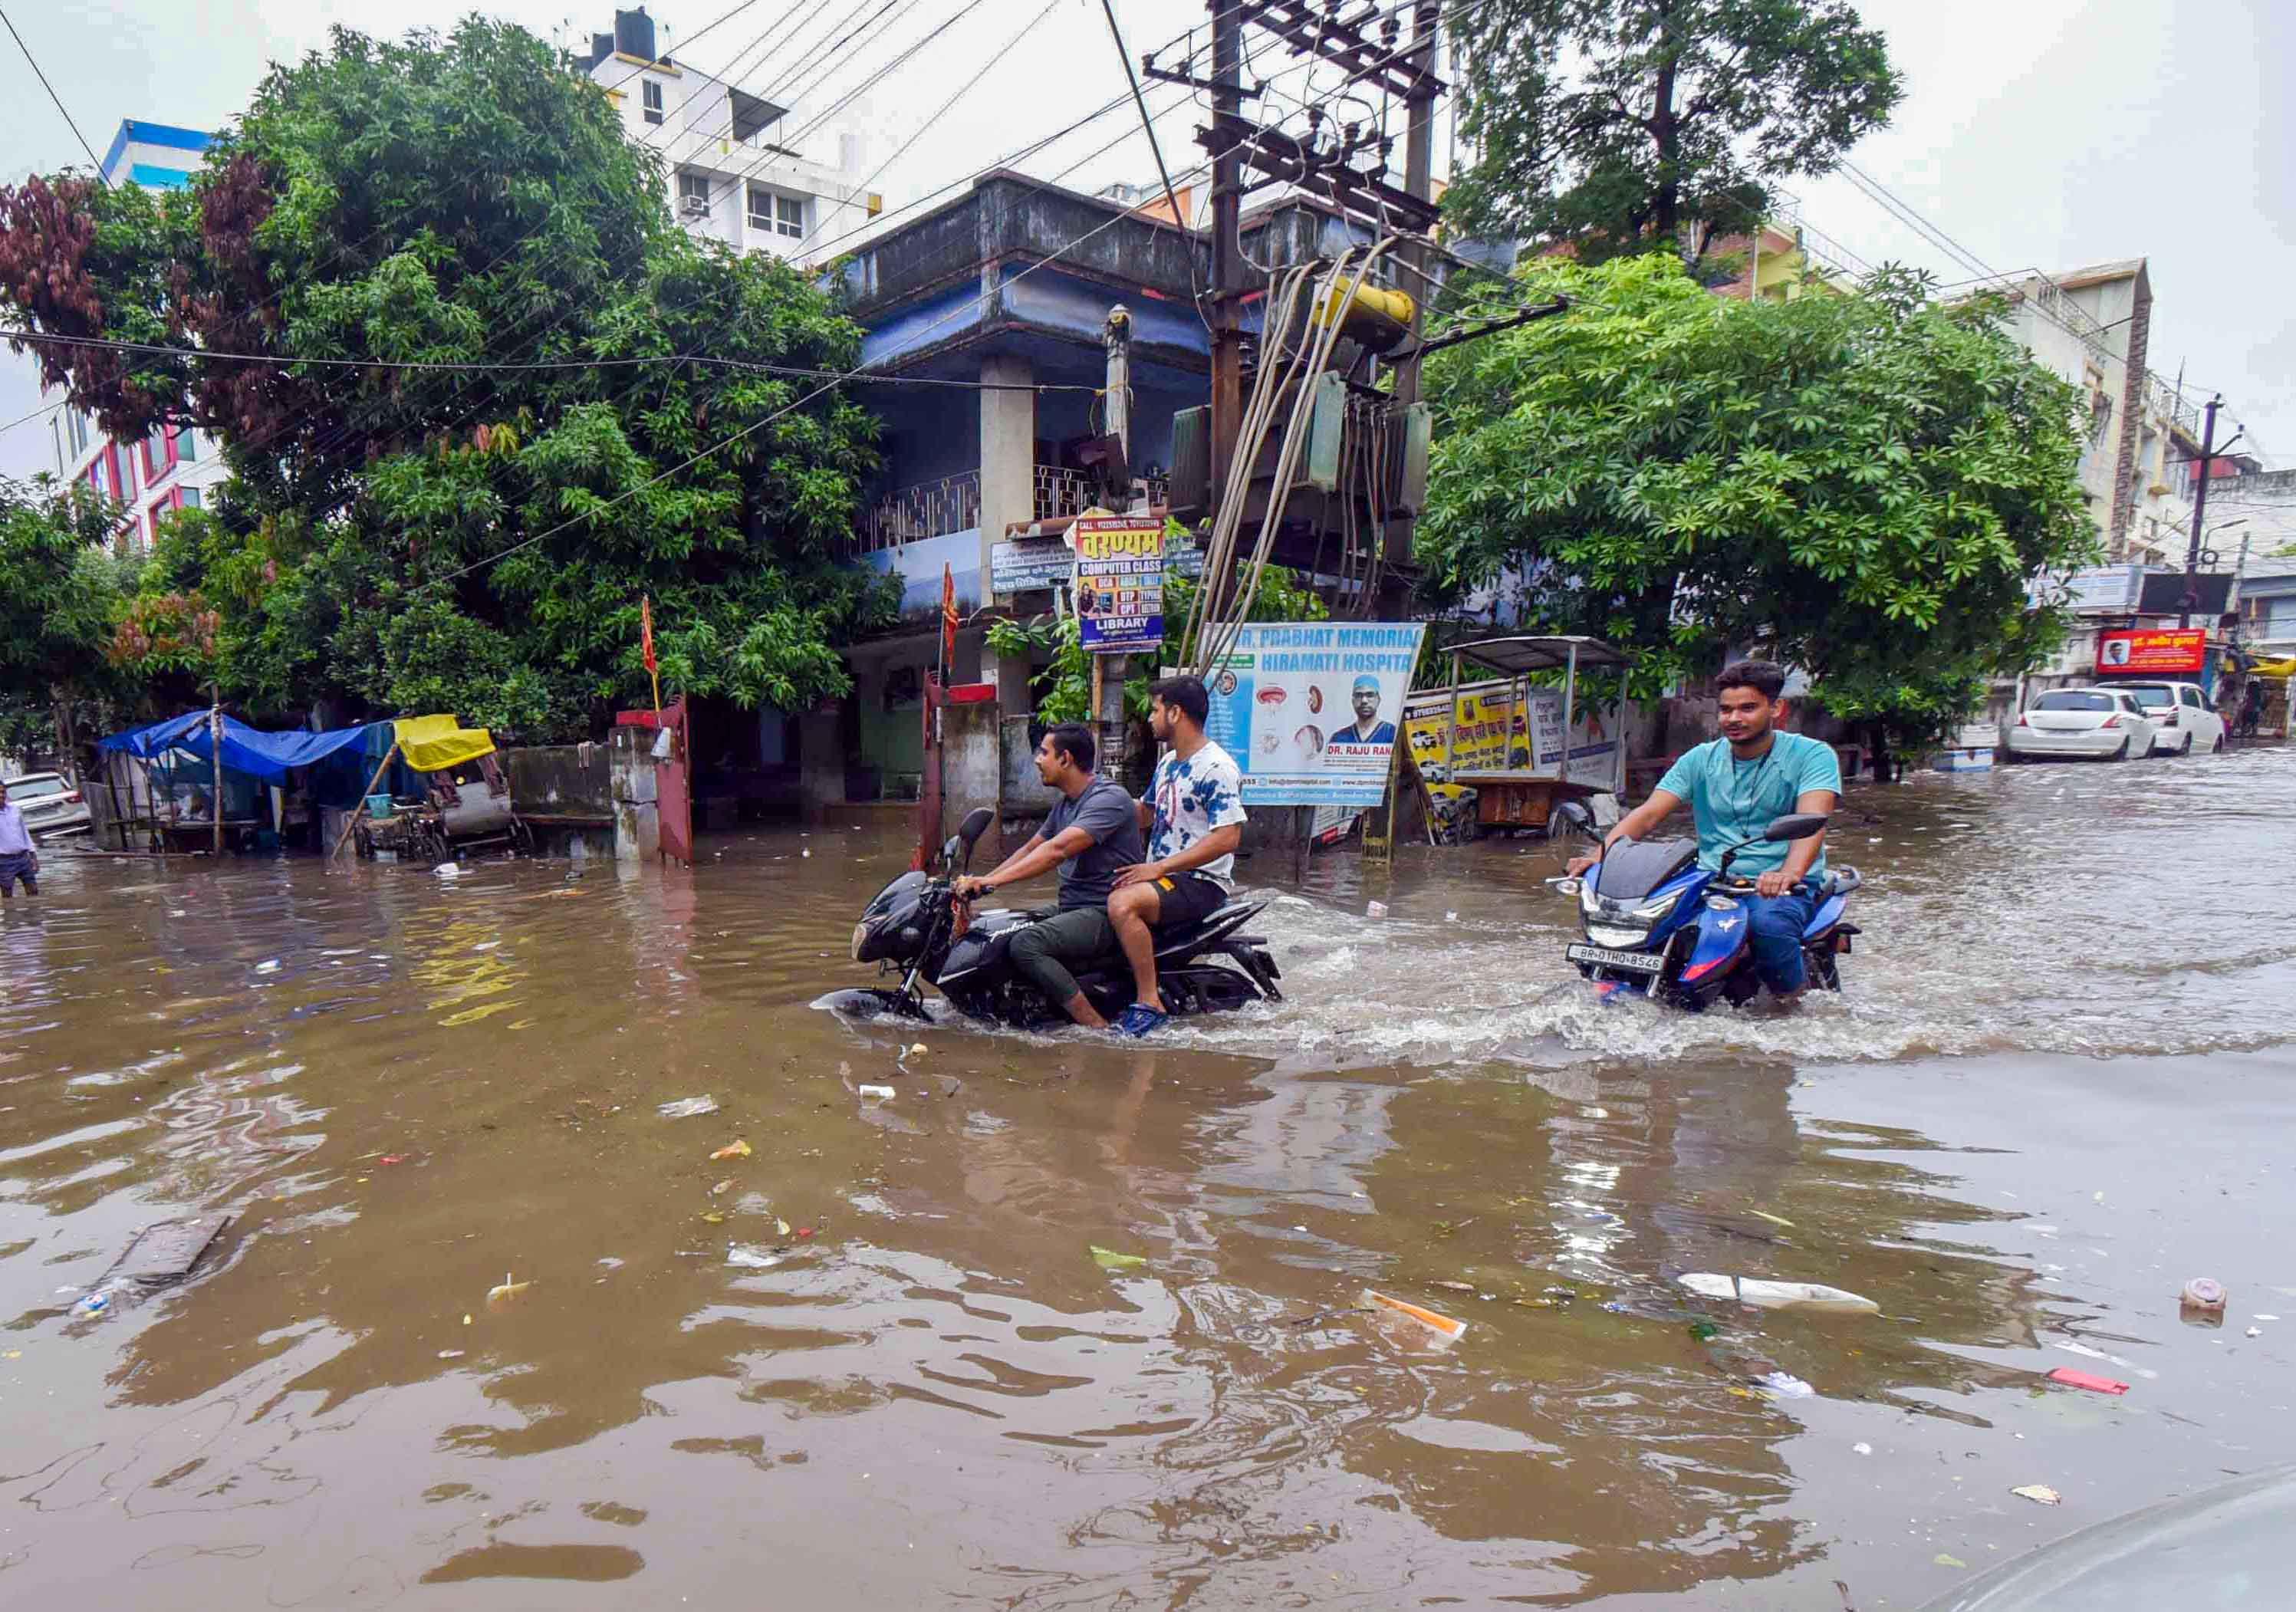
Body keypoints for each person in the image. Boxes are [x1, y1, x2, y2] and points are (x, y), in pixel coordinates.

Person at [1567, 660, 1840, 1002]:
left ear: (1776, 709)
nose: (1734, 718)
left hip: (1779, 886)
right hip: (1709, 878)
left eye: (1748, 708)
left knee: (1768, 927)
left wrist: (1788, 873)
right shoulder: (1700, 759)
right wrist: (1599, 857)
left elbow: (1811, 821)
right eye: (1726, 710)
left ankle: (1791, 1005)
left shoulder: (1813, 755)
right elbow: (1649, 814)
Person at [953, 723, 1143, 1031]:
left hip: (1105, 911)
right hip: (1072, 907)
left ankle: (1097, 1028)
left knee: (1027, 944)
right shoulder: (1065, 804)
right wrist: (983, 882)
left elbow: (1056, 851)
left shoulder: (1108, 798)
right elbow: (1031, 848)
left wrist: (992, 883)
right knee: (1000, 927)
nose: (1038, 760)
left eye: (1044, 752)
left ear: (1065, 759)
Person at [1106, 676, 1248, 1036]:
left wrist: (1159, 867)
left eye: (1155, 710)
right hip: (1166, 878)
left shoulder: (1216, 768)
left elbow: (1228, 836)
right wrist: (1096, 804)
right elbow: (1147, 813)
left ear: (1175, 713)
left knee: (1122, 904)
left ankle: (1149, 1000)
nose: (1150, 718)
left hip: (1200, 882)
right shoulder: (1169, 762)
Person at [0, 780, 40, 899]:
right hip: (3, 862)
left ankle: (34, 911)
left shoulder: (15, 809)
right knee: (7, 896)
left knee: (34, 892)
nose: (1, 795)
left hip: (23, 858)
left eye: (3, 792)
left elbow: (25, 833)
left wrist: (33, 856)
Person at [1337, 675, 1396, 744]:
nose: (1364, 701)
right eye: (1359, 695)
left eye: (1370, 695)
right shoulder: (1339, 738)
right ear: (1353, 701)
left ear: (1378, 700)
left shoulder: (1392, 733)